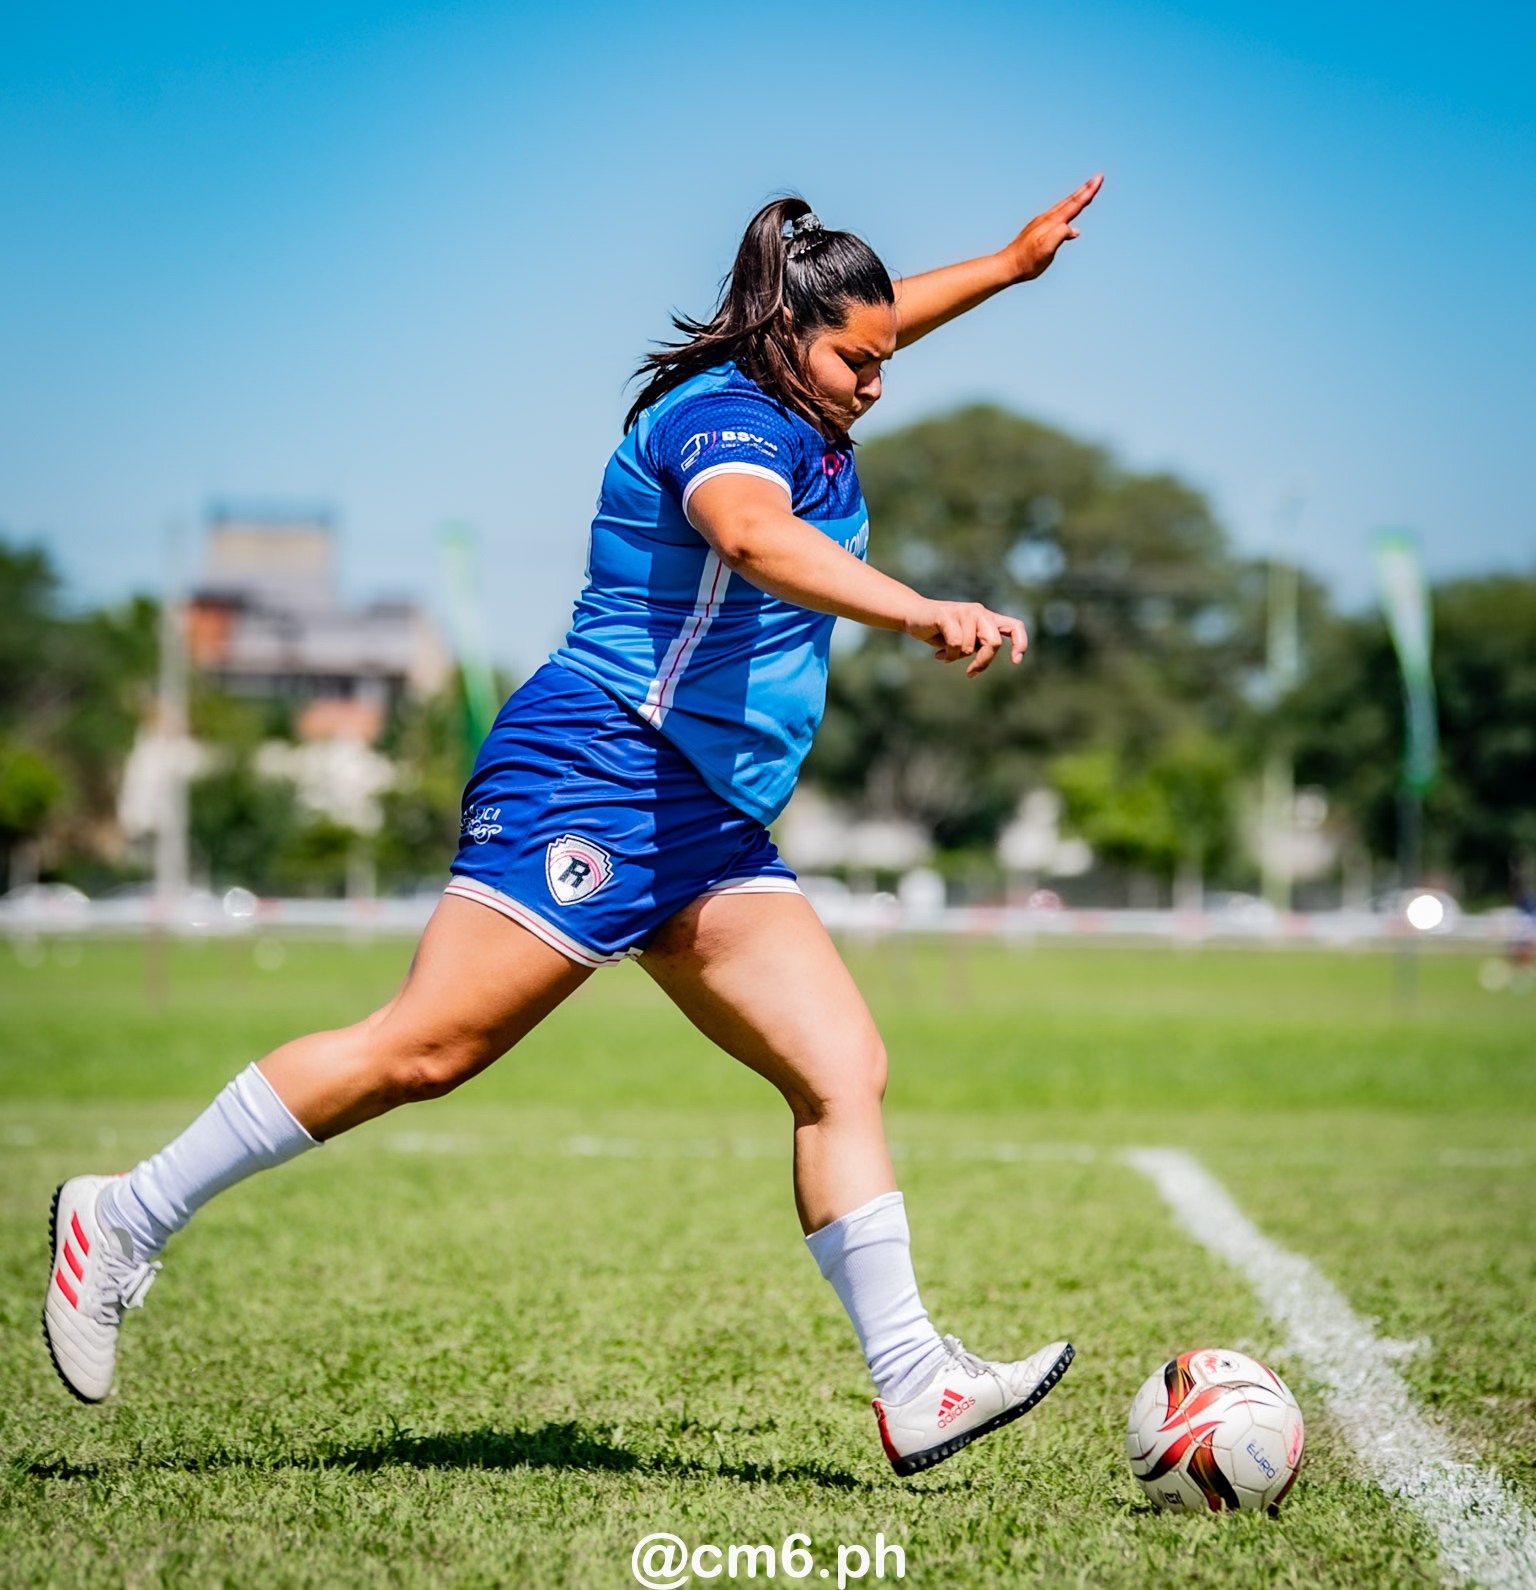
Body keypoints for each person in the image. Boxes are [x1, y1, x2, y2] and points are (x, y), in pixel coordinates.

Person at [45, 174, 1103, 1477]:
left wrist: (1004, 265)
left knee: (842, 1070)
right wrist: (920, 608)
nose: (878, 382)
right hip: (602, 765)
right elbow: (757, 544)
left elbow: (878, 326)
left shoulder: (810, 382)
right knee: (424, 1047)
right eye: (856, 359)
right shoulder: (722, 421)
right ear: (786, 334)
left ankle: (916, 1380)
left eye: (887, 357)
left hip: (708, 813)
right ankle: (124, 1215)